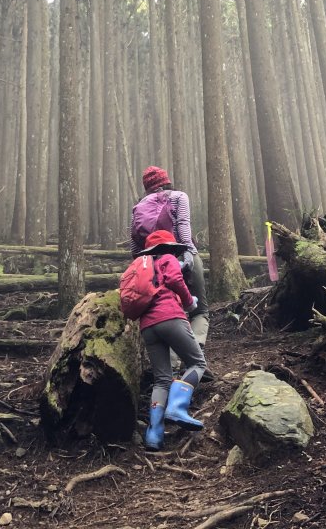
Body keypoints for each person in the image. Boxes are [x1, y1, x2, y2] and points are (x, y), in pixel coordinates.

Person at [136, 229, 208, 451]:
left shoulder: (144, 267)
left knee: (162, 380)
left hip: (147, 325)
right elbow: (176, 279)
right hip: (170, 317)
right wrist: (189, 302)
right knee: (198, 362)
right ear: (168, 247)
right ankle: (177, 407)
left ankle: (153, 435)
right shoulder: (167, 258)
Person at [130, 166, 210, 350]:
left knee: (169, 311)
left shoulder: (138, 207)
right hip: (181, 254)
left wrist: (140, 266)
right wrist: (189, 253)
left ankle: (172, 362)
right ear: (166, 181)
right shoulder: (179, 197)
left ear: (147, 186)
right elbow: (183, 226)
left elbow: (134, 243)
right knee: (200, 311)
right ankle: (196, 354)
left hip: (151, 264)